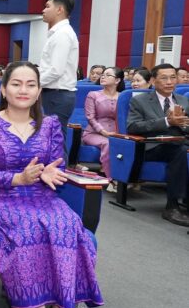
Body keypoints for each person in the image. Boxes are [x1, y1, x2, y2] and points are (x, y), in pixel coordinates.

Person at [0, 61, 103, 308]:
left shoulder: (51, 124)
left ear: (39, 91)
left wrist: (49, 173)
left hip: (42, 196)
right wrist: (17, 178)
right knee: (29, 229)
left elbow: (57, 164)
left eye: (31, 85)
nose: (24, 90)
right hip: (2, 198)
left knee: (67, 224)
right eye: (16, 84)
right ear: (3, 89)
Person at [127, 64, 189, 226]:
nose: (169, 82)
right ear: (153, 81)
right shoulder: (139, 100)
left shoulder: (183, 100)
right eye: (164, 78)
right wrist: (167, 121)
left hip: (179, 143)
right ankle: (172, 207)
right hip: (151, 146)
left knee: (180, 149)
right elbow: (133, 127)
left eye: (173, 77)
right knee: (180, 151)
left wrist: (183, 124)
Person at [38, 0, 78, 133]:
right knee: (51, 138)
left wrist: (33, 83)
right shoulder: (58, 33)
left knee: (55, 140)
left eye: (47, 6)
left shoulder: (63, 34)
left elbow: (56, 70)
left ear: (59, 10)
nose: (43, 10)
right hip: (54, 94)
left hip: (57, 94)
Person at [81, 67, 123, 190]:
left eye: (108, 75)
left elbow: (124, 118)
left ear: (117, 80)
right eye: (103, 74)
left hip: (116, 133)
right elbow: (90, 117)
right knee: (108, 143)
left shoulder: (123, 97)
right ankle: (111, 180)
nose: (103, 77)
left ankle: (127, 179)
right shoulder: (93, 95)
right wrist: (103, 131)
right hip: (93, 133)